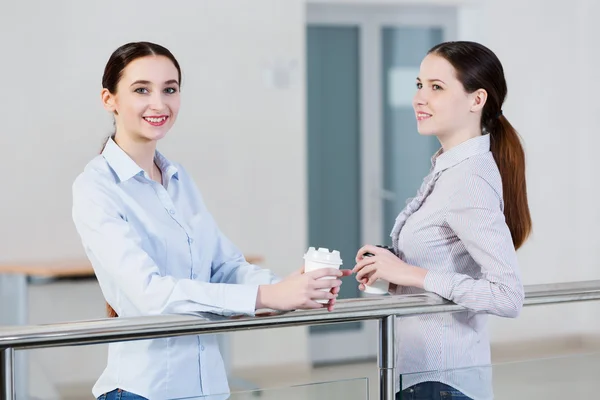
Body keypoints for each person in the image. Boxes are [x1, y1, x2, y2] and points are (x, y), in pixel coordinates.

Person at [72, 41, 348, 400]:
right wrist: (266, 296)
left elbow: (224, 264)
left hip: (207, 389)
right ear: (109, 99)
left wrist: (291, 290)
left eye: (170, 89)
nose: (159, 103)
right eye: (142, 90)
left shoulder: (177, 177)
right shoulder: (96, 186)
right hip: (144, 390)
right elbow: (150, 295)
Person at [353, 41, 531, 400]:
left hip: (442, 383)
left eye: (437, 87)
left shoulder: (468, 179)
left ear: (476, 100)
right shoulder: (448, 170)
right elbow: (446, 269)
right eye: (419, 85)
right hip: (423, 377)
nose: (420, 98)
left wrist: (411, 275)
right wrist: (392, 274)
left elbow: (507, 295)